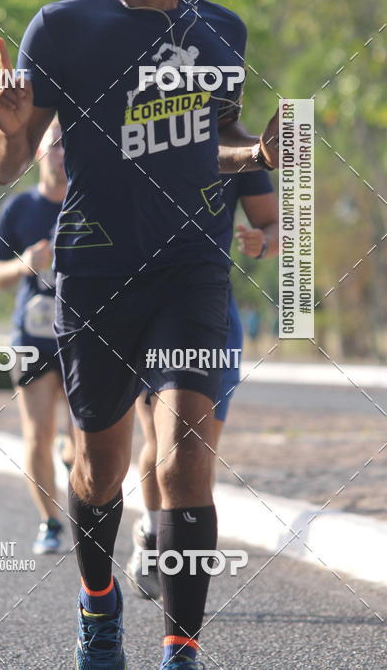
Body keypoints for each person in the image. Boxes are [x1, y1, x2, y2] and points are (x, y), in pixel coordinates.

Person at [0, 0, 280, 670]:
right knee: (101, 466)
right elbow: (7, 166)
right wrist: (8, 132)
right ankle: (99, 604)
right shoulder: (62, 29)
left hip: (191, 268)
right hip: (95, 271)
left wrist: (257, 161)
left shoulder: (223, 30)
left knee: (184, 458)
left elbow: (202, 149)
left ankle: (181, 649)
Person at [127, 169, 279, 600]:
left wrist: (263, 242)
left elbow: (275, 224)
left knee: (198, 449)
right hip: (143, 307)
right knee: (159, 440)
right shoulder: (135, 125)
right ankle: (152, 528)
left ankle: (183, 577)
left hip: (209, 310)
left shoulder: (234, 145)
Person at [0, 120, 73, 555]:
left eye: (70, 146)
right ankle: (50, 522)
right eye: (56, 145)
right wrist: (24, 264)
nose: (63, 154)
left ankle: (85, 506)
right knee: (37, 435)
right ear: (39, 152)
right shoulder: (20, 209)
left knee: (81, 443)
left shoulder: (90, 203)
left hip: (83, 337)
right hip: (32, 338)